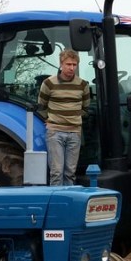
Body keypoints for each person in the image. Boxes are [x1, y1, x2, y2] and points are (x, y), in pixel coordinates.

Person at [37, 49, 91, 185]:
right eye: (68, 64)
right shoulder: (49, 83)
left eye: (74, 65)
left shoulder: (83, 85)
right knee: (56, 172)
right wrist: (50, 120)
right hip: (55, 132)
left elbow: (85, 108)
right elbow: (41, 106)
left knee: (70, 173)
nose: (71, 68)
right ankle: (56, 203)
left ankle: (68, 202)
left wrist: (73, 119)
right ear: (61, 64)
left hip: (74, 133)